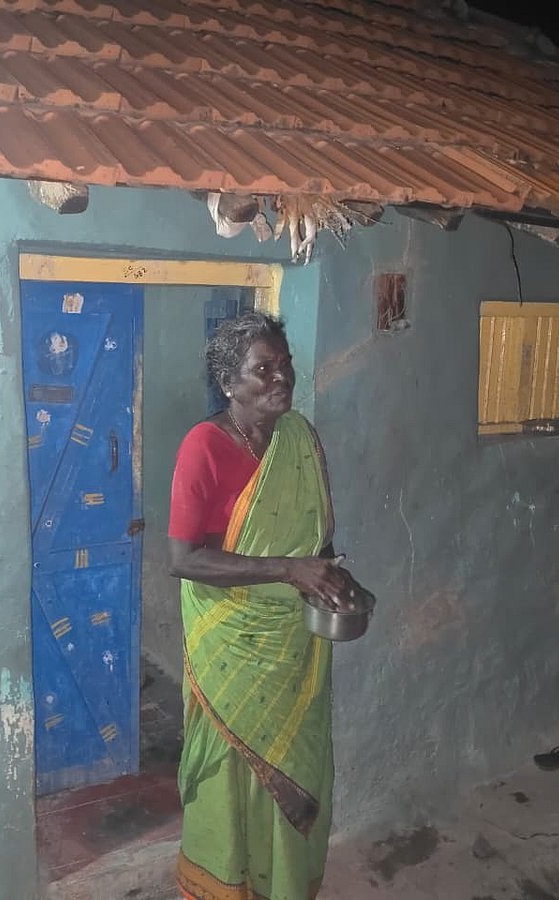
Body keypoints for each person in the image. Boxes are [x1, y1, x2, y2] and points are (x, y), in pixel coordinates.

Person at [168, 311, 360, 900]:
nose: (282, 377)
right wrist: (288, 570)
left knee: (294, 759)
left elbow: (314, 539)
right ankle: (224, 882)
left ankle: (282, 882)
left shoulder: (299, 439)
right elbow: (183, 558)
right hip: (230, 639)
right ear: (229, 383)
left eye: (285, 364)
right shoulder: (204, 446)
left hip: (292, 641)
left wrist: (329, 575)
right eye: (263, 368)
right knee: (232, 769)